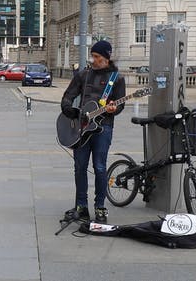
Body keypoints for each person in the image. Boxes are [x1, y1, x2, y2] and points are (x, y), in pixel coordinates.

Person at [60, 40, 126, 223]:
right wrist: (69, 111)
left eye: (97, 57)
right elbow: (68, 96)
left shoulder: (117, 79)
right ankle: (81, 206)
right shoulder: (83, 75)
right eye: (93, 56)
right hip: (82, 128)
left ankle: (100, 207)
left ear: (106, 57)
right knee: (80, 166)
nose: (93, 60)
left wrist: (115, 109)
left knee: (100, 167)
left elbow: (120, 104)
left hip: (103, 127)